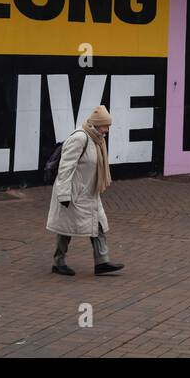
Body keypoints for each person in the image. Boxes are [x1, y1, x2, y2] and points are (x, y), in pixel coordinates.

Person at [47, 104, 124, 276]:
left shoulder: (98, 139)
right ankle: (58, 262)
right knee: (65, 229)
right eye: (105, 126)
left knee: (99, 225)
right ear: (97, 124)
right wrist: (65, 194)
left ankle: (102, 262)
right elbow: (66, 167)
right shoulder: (80, 138)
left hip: (89, 192)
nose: (107, 130)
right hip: (73, 193)